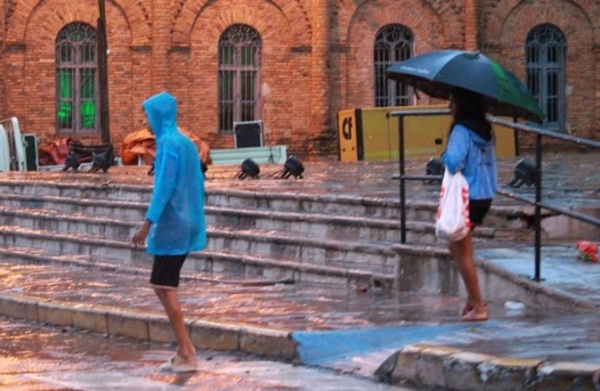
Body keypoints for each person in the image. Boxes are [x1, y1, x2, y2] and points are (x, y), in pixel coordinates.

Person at [132, 91, 207, 372]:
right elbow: (198, 182)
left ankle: (187, 351)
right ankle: (183, 349)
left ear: (159, 115)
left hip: (173, 223)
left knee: (165, 286)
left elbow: (163, 186)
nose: (145, 121)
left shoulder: (167, 144)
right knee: (162, 286)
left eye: (147, 115)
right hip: (186, 220)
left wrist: (147, 223)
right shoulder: (185, 143)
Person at [442, 87, 497, 322]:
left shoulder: (462, 130)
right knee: (458, 248)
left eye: (452, 101)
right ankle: (472, 300)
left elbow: (454, 162)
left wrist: (444, 155)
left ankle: (479, 306)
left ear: (462, 104)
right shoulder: (485, 131)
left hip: (466, 196)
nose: (449, 106)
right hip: (484, 194)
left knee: (460, 251)